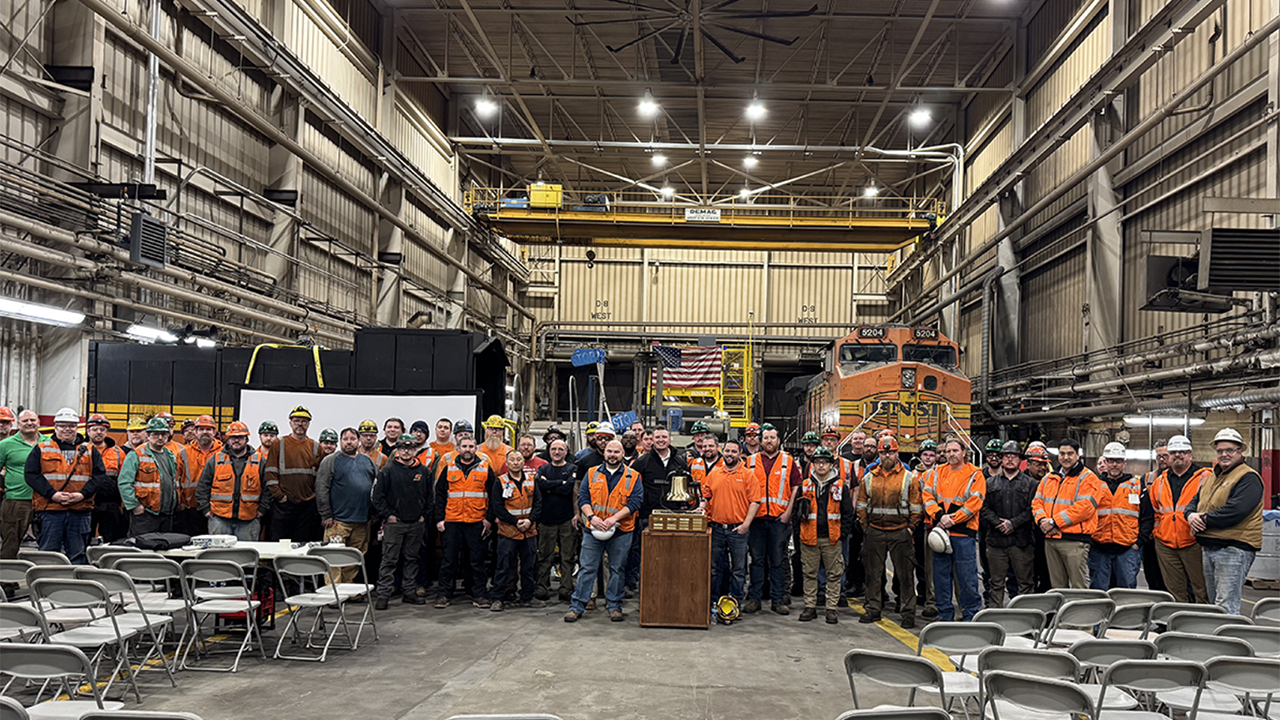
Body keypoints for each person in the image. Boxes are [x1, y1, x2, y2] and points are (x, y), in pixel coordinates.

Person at [1185, 428, 1264, 615]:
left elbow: (1235, 511)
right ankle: (1217, 642)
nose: (1224, 454)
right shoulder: (1213, 477)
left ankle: (1228, 642)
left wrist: (1202, 519)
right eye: (1220, 451)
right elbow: (1194, 502)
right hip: (1210, 547)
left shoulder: (1248, 477)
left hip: (1233, 548)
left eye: (1230, 450)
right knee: (1215, 606)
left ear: (1240, 452)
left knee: (1226, 606)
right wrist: (1190, 515)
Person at [564, 439, 643, 623]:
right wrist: (592, 518)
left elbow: (635, 501)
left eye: (616, 452)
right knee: (587, 568)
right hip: (594, 529)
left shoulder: (633, 476)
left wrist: (614, 519)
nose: (612, 455)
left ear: (623, 454)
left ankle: (614, 605)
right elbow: (583, 497)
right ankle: (577, 606)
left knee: (617, 569)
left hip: (621, 530)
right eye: (609, 451)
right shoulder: (592, 473)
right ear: (604, 453)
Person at [24, 408, 107, 564]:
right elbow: (31, 475)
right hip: (51, 511)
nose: (67, 429)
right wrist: (52, 494)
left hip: (80, 511)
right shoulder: (42, 448)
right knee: (48, 555)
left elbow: (99, 476)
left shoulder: (90, 451)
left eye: (72, 425)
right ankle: (47, 586)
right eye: (63, 426)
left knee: (77, 555)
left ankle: (74, 587)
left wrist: (82, 495)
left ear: (78, 428)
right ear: (55, 427)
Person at [857, 436, 922, 627]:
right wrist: (865, 527)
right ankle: (873, 609)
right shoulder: (869, 478)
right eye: (884, 452)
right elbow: (861, 505)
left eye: (891, 452)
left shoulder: (909, 478)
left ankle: (908, 613)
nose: (887, 456)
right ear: (879, 454)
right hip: (874, 531)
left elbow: (917, 507)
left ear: (897, 453)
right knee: (873, 574)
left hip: (900, 532)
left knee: (905, 576)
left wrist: (910, 528)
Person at [922, 438, 986, 621]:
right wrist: (939, 515)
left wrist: (952, 519)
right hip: (941, 533)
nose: (950, 454)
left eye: (954, 451)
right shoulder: (936, 473)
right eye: (947, 451)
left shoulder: (975, 474)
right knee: (941, 577)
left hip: (963, 534)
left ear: (964, 452)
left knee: (967, 577)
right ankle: (944, 615)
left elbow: (975, 502)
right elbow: (927, 496)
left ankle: (970, 614)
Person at [434, 435, 497, 609]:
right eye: (464, 446)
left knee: (477, 561)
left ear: (476, 448)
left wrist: (489, 519)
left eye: (471, 446)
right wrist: (440, 519)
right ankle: (444, 594)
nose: (467, 449)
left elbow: (494, 496)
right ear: (458, 448)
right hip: (452, 521)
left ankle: (479, 595)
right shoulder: (449, 468)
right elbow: (439, 495)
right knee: (448, 560)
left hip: (476, 521)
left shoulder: (485, 468)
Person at [1032, 438, 1103, 589]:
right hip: (1051, 539)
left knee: (1079, 588)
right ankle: (1061, 613)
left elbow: (1084, 508)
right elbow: (1037, 502)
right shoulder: (1049, 478)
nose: (1066, 457)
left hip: (1075, 542)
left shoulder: (1088, 479)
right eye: (1062, 453)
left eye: (1070, 453)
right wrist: (1042, 521)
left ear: (1078, 456)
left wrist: (1053, 522)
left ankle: (1081, 613)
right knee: (1057, 587)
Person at [744, 424, 799, 615]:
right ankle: (754, 599)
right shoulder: (750, 461)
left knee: (777, 561)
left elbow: (795, 488)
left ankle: (777, 600)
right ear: (760, 440)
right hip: (757, 520)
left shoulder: (788, 461)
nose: (769, 441)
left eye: (772, 438)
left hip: (778, 520)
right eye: (765, 438)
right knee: (757, 561)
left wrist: (788, 513)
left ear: (778, 440)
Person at [371, 436, 431, 609]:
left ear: (415, 450)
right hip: (394, 523)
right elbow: (377, 496)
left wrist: (424, 516)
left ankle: (409, 592)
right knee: (389, 559)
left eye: (410, 448)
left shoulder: (424, 471)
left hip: (416, 523)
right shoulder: (388, 470)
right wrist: (388, 515)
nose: (406, 451)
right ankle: (383, 594)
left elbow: (430, 498)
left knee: (412, 559)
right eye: (403, 448)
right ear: (397, 449)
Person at [628, 426, 690, 592]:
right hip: (648, 516)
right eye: (657, 437)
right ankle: (648, 590)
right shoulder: (642, 462)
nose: (661, 440)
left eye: (664, 437)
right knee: (649, 556)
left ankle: (672, 588)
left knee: (672, 555)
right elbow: (632, 487)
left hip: (674, 516)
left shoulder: (680, 462)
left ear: (670, 439)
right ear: (651, 440)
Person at [1149, 435, 1210, 603]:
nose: (1178, 455)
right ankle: (1180, 624)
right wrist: (1158, 532)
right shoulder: (1160, 481)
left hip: (1194, 542)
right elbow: (1155, 511)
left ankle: (1203, 626)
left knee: (1202, 588)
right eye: (1174, 452)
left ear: (1190, 455)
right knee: (1175, 591)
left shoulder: (1205, 477)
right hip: (1166, 544)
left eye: (1182, 452)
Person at [796, 448, 853, 623]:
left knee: (834, 574)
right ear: (812, 464)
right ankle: (810, 606)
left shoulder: (840, 486)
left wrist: (842, 535)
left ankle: (831, 609)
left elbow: (847, 513)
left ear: (831, 465)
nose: (821, 466)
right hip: (809, 537)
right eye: (817, 462)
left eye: (824, 462)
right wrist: (799, 534)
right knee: (809, 574)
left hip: (832, 539)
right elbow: (795, 514)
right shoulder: (804, 485)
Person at [701, 439, 761, 606]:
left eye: (734, 451)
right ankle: (713, 602)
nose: (729, 454)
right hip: (717, 529)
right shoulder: (715, 474)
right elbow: (706, 494)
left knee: (738, 570)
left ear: (740, 454)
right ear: (723, 451)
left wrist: (746, 525)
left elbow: (755, 502)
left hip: (738, 531)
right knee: (714, 570)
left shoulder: (748, 475)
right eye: (727, 451)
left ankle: (735, 603)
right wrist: (701, 507)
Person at [316, 428, 377, 586]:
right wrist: (326, 515)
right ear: (340, 442)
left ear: (358, 441)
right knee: (333, 557)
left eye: (352, 439)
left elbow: (374, 487)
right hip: (338, 521)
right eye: (345, 439)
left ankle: (347, 589)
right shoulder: (330, 460)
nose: (349, 442)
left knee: (354, 558)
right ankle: (333, 591)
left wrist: (372, 513)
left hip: (362, 520)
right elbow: (322, 488)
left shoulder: (367, 461)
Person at [1090, 442, 1153, 591]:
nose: (1114, 465)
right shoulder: (1094, 485)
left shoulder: (1137, 486)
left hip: (1127, 550)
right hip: (1099, 549)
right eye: (1111, 461)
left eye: (1118, 461)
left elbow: (1147, 517)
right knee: (1098, 592)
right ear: (1105, 462)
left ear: (1124, 463)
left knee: (1126, 593)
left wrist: (1138, 543)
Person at [981, 441, 1037, 606]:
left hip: (1021, 542)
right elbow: (983, 508)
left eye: (1014, 456)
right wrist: (999, 523)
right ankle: (994, 618)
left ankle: (1024, 620)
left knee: (1025, 583)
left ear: (1020, 460)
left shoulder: (1031, 484)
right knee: (995, 583)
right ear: (1001, 459)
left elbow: (1032, 509)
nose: (1010, 459)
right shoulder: (990, 483)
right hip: (996, 542)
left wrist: (1012, 524)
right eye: (1006, 456)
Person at [196, 420, 268, 542]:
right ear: (228, 440)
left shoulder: (260, 461)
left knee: (246, 557)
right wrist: (206, 509)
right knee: (219, 556)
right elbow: (203, 486)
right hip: (219, 519)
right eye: (233, 437)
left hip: (249, 520)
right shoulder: (216, 459)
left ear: (247, 440)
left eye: (240, 438)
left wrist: (262, 510)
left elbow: (267, 488)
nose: (236, 440)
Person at [490, 450, 543, 611]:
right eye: (512, 460)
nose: (515, 462)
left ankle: (527, 596)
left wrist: (529, 520)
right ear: (506, 462)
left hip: (529, 531)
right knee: (503, 565)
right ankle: (498, 598)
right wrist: (515, 521)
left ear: (523, 462)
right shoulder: (500, 482)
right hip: (508, 531)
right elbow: (497, 507)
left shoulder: (532, 481)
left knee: (528, 566)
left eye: (518, 459)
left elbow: (538, 504)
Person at [264, 406, 323, 542]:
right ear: (290, 423)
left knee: (302, 544)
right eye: (296, 421)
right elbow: (270, 473)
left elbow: (321, 477)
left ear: (308, 424)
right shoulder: (279, 444)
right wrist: (280, 497)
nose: (300, 424)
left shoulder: (316, 446)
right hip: (284, 505)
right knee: (279, 543)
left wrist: (313, 498)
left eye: (304, 421)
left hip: (307, 506)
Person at [117, 418, 180, 537]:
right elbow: (124, 483)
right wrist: (135, 506)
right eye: (156, 434)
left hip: (167, 513)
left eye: (163, 434)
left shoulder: (170, 456)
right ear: (148, 435)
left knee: (164, 548)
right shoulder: (136, 455)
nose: (160, 437)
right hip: (146, 514)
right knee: (142, 550)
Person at [821, 424, 863, 603]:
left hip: (841, 518)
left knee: (841, 557)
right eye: (826, 439)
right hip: (822, 518)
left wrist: (852, 510)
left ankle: (840, 592)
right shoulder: (817, 461)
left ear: (838, 442)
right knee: (822, 557)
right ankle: (823, 592)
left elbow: (856, 487)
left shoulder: (847, 464)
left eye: (833, 440)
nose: (829, 442)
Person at [534, 439, 580, 602]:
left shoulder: (572, 469)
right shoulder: (543, 468)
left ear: (566, 451)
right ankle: (542, 587)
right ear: (549, 451)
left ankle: (566, 588)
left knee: (567, 557)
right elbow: (539, 485)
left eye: (561, 449)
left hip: (567, 520)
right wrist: (561, 483)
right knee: (544, 556)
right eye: (554, 449)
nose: (557, 452)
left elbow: (570, 489)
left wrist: (550, 486)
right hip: (546, 520)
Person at [1, 410, 43, 562]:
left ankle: (44, 578)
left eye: (32, 420)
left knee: (46, 543)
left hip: (45, 501)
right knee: (10, 543)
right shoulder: (5, 445)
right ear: (18, 424)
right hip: (16, 501)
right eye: (25, 421)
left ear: (38, 423)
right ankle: (6, 580)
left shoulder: (49, 443)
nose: (29, 423)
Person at [85, 414, 128, 543]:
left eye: (102, 429)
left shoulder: (118, 452)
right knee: (84, 537)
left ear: (107, 431)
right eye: (95, 429)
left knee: (111, 539)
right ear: (88, 431)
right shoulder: (80, 450)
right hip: (86, 502)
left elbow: (124, 480)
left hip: (111, 504)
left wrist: (122, 505)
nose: (99, 432)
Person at [176, 415, 222, 537]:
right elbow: (176, 479)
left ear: (214, 432)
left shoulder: (223, 453)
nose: (205, 432)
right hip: (190, 510)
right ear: (195, 432)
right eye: (201, 429)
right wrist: (180, 502)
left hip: (217, 510)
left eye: (208, 429)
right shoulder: (184, 453)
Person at [1138, 439, 1170, 592]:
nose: (1162, 459)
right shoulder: (1147, 479)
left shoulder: (1179, 479)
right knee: (1153, 576)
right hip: (1151, 538)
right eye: (1159, 456)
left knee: (1172, 580)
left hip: (1170, 536)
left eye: (1165, 455)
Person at [1024, 445, 1054, 592]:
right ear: (1028, 464)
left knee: (1047, 574)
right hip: (1024, 536)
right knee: (1027, 576)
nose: (1042, 468)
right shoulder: (1020, 482)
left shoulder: (1052, 482)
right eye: (1038, 464)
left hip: (1045, 535)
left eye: (1044, 464)